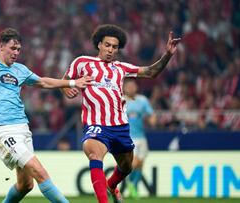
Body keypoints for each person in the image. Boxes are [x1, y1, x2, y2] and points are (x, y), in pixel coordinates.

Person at [0, 18, 92, 203]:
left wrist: (71, 82)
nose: (16, 53)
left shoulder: (20, 70)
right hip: (3, 129)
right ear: (1, 46)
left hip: (22, 128)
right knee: (40, 171)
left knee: (25, 185)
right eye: (13, 48)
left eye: (18, 50)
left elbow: (43, 81)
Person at [62, 24, 180, 203]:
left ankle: (111, 185)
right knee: (94, 154)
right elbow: (65, 80)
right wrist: (66, 89)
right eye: (107, 45)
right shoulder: (82, 62)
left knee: (126, 167)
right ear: (99, 44)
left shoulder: (121, 67)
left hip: (120, 126)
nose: (110, 50)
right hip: (96, 124)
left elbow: (150, 72)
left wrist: (168, 55)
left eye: (114, 47)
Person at [124, 79, 156, 199]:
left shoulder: (142, 100)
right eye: (129, 86)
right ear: (124, 88)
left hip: (141, 136)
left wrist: (152, 119)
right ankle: (129, 182)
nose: (131, 88)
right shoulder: (121, 101)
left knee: (141, 163)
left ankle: (134, 186)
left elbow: (151, 114)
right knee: (135, 161)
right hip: (129, 137)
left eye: (133, 85)